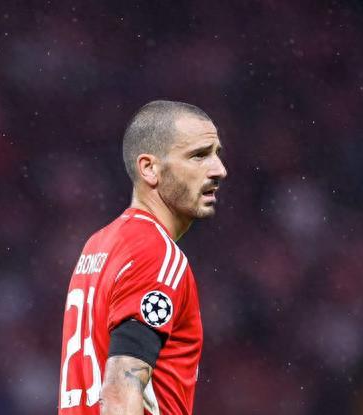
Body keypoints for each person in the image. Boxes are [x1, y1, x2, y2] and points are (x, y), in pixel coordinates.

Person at [57, 100, 227, 415]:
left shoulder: (99, 245)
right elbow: (119, 392)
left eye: (217, 153)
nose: (219, 170)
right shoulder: (156, 254)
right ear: (149, 168)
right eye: (199, 155)